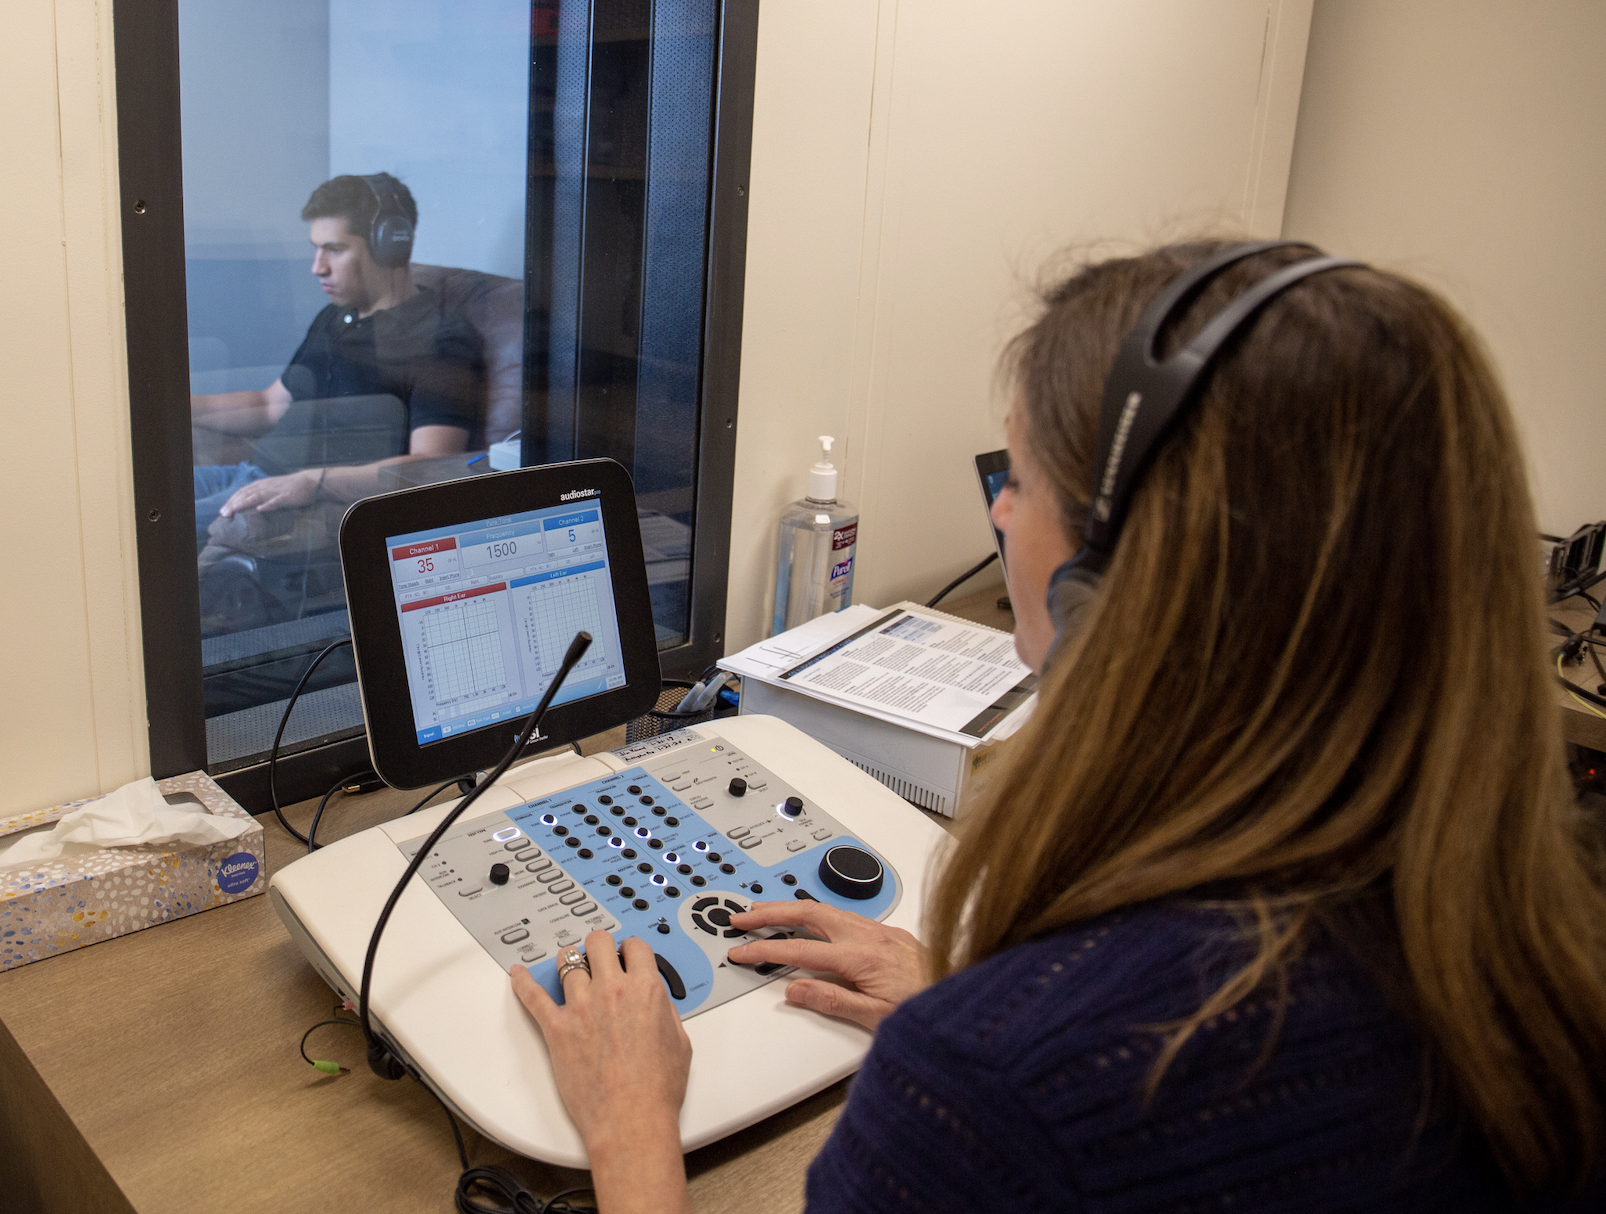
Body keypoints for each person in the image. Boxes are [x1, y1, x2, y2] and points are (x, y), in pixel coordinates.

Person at [509, 242, 1606, 1212]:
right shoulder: (1538, 956)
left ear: (1116, 586)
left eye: (1021, 479)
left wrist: (631, 1128)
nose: (996, 509)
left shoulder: (996, 1090)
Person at [190, 173, 483, 547]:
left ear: (388, 246)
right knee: (132, 489)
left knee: (138, 528)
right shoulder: (335, 317)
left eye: (335, 249)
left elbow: (433, 462)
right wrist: (168, 410)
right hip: (252, 475)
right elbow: (269, 404)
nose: (317, 267)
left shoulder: (441, 340)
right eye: (316, 249)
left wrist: (313, 482)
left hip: (287, 499)